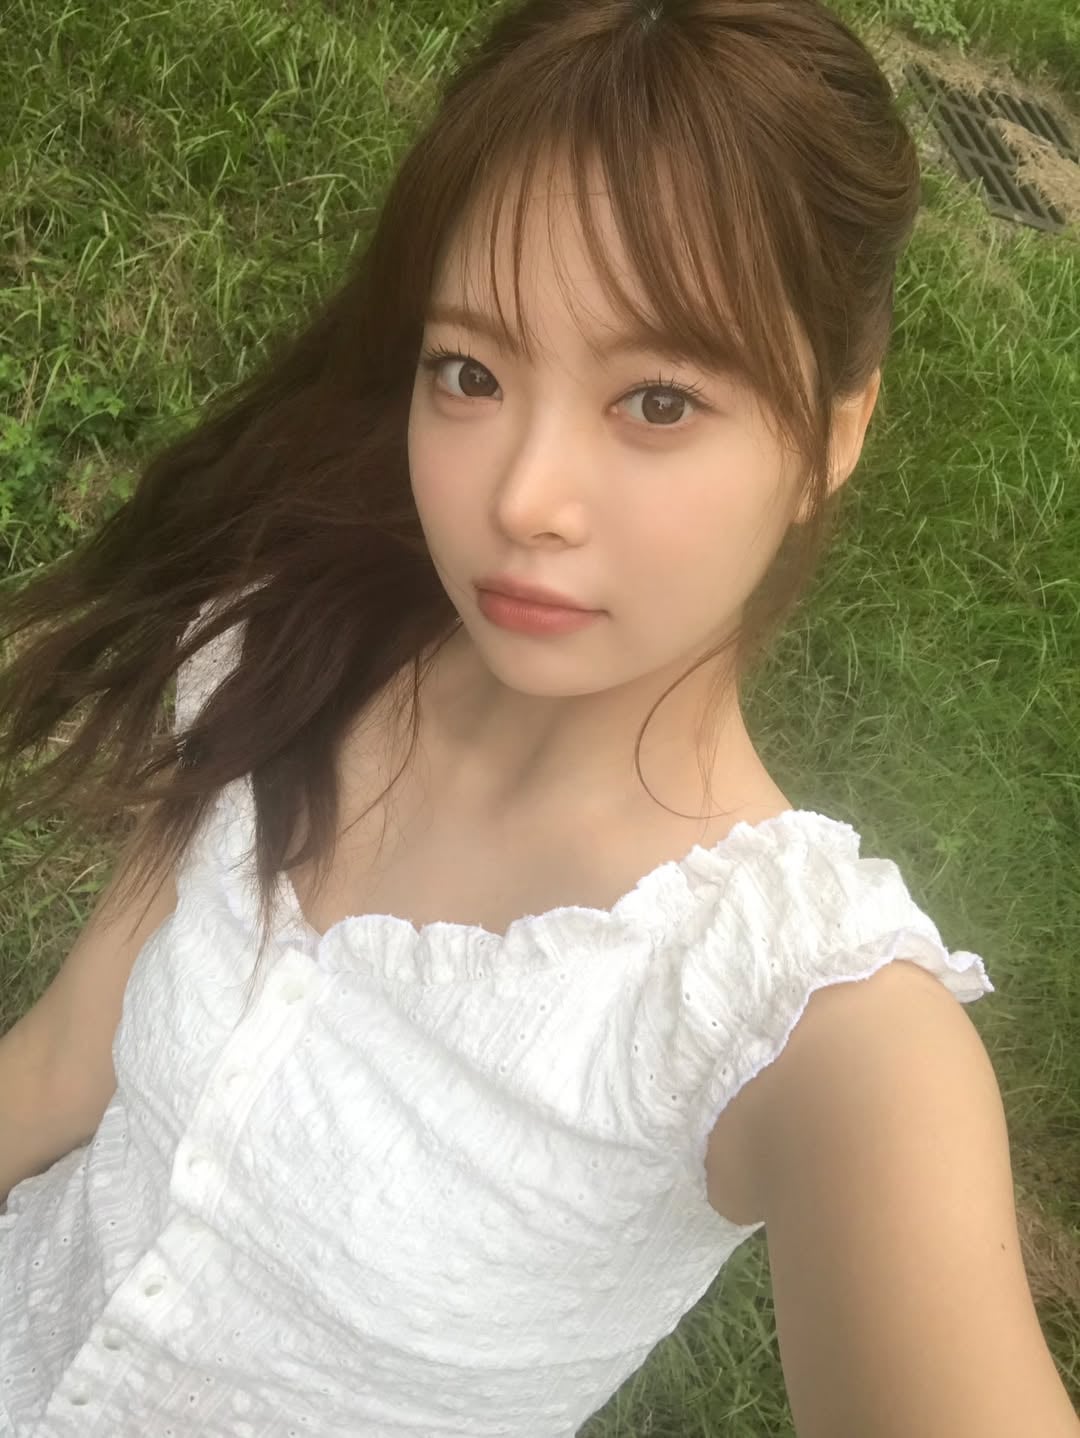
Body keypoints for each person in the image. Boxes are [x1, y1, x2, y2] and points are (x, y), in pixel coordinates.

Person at [0, 0, 1076, 1433]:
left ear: (832, 436)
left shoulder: (799, 1020)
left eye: (658, 401)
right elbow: (63, 1062)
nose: (523, 497)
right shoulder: (287, 645)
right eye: (471, 372)